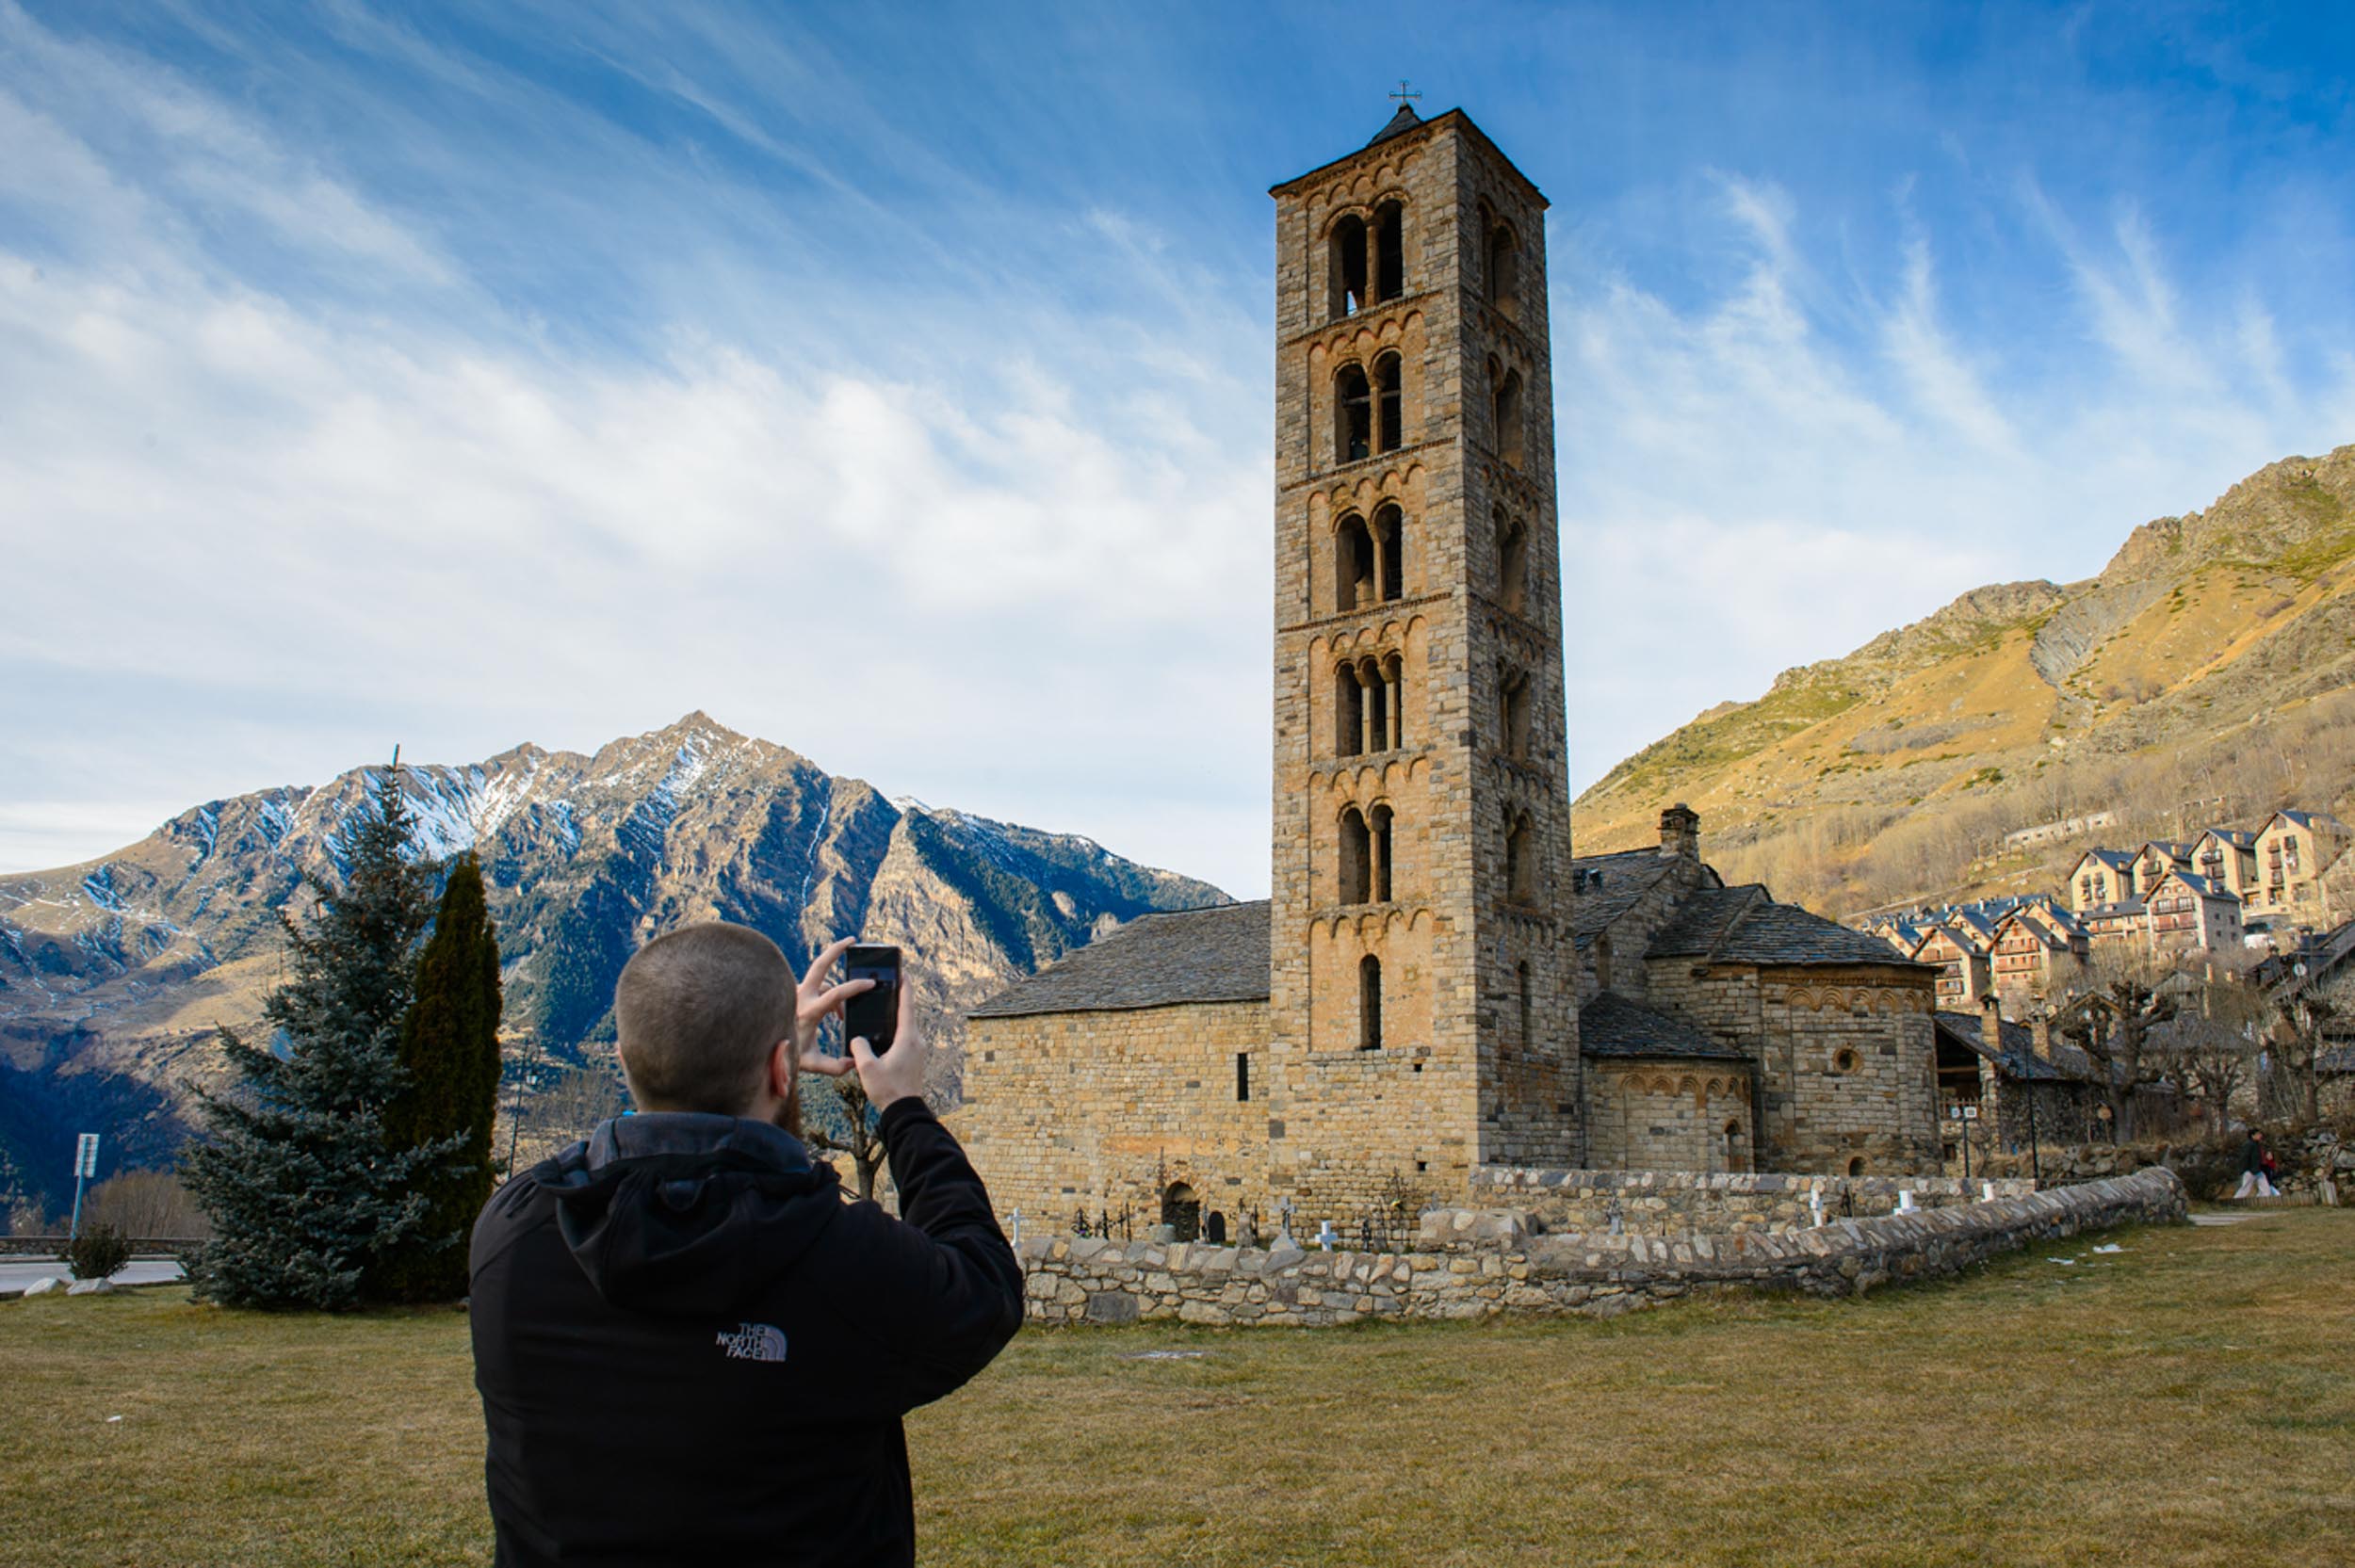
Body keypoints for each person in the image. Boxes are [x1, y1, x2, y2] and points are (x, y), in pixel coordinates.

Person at [469, 924, 1023, 1567]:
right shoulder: (839, 1256)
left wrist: (763, 1058)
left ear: (624, 1059)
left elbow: (602, 1165)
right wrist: (902, 1105)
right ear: (783, 1069)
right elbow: (984, 1282)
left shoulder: (513, 1235)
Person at [2233, 1127, 2279, 1200]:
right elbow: (2244, 1158)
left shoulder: (2257, 1145)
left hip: (2258, 1170)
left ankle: (2262, 1202)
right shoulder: (2249, 1145)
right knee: (2245, 1188)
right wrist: (2244, 1169)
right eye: (2258, 1134)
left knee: (2265, 1188)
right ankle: (2236, 1200)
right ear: (2252, 1136)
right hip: (2250, 1170)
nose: (2260, 1135)